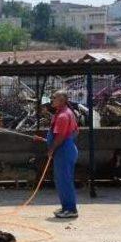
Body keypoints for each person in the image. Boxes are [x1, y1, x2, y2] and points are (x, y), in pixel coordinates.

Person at [35, 90, 79, 219]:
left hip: (63, 151)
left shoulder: (63, 116)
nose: (51, 100)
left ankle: (71, 209)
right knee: (62, 180)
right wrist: (46, 140)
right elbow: (74, 132)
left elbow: (60, 136)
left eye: (54, 98)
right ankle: (66, 207)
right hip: (66, 149)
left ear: (61, 100)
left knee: (64, 181)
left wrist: (51, 149)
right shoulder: (64, 113)